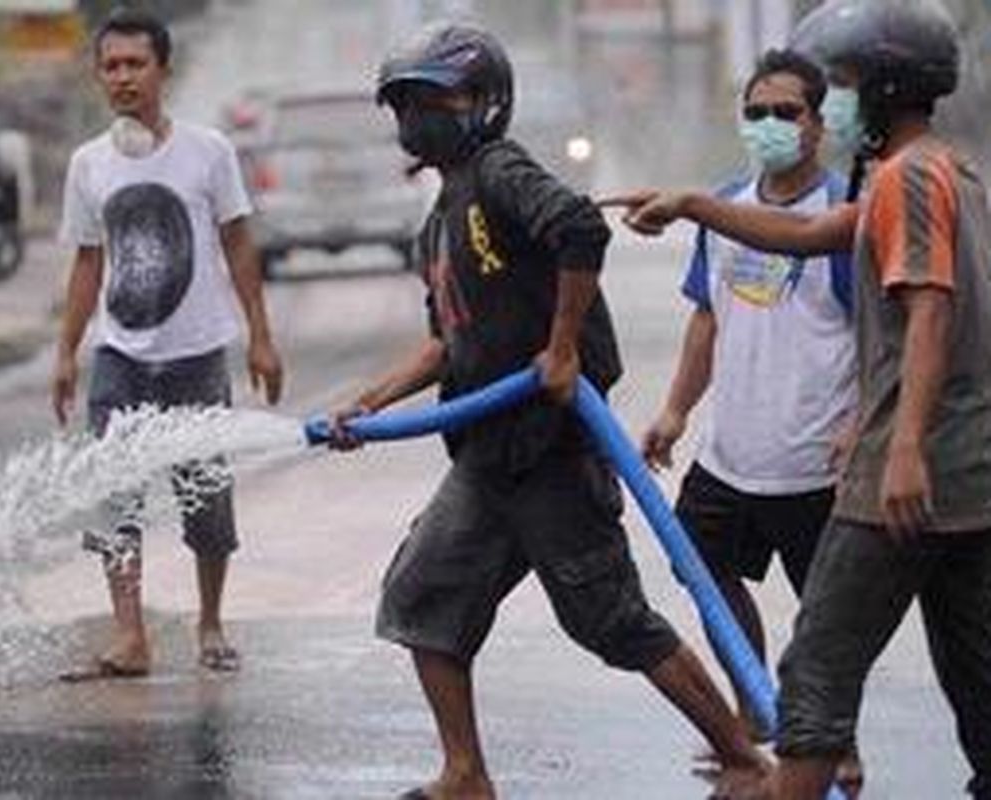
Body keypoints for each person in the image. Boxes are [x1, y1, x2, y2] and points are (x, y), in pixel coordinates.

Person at [328, 23, 768, 800]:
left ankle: (742, 759)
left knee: (612, 621)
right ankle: (464, 774)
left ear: (483, 104)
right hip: (486, 455)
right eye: (405, 103)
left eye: (433, 100)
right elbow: (447, 342)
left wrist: (562, 349)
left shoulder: (499, 170)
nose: (416, 118)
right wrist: (368, 402)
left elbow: (578, 227)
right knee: (423, 597)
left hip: (552, 450)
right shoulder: (441, 214)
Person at [608, 2, 991, 797]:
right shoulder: (940, 173)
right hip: (968, 480)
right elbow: (811, 236)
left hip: (901, 472)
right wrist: (694, 205)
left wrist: (904, 444)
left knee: (814, 672)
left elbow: (928, 305)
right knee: (977, 675)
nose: (834, 102)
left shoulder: (911, 179)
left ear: (884, 89)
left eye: (842, 86)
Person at [640, 48, 863, 791]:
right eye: (757, 113)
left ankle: (834, 743)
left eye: (786, 112)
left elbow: (879, 338)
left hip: (814, 460)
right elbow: (708, 318)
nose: (770, 125)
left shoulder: (844, 218)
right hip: (730, 454)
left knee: (828, 617)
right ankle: (753, 711)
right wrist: (674, 411)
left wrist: (862, 422)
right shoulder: (726, 208)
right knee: (704, 574)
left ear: (819, 124)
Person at [52, 8, 283, 678]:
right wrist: (67, 352)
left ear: (163, 70)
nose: (122, 77)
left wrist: (260, 338)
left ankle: (211, 622)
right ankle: (131, 636)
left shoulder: (208, 151)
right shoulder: (87, 164)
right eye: (111, 66)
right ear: (99, 75)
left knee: (206, 500)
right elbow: (88, 262)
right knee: (114, 498)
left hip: (197, 356)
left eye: (135, 64)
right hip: (120, 358)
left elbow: (239, 242)